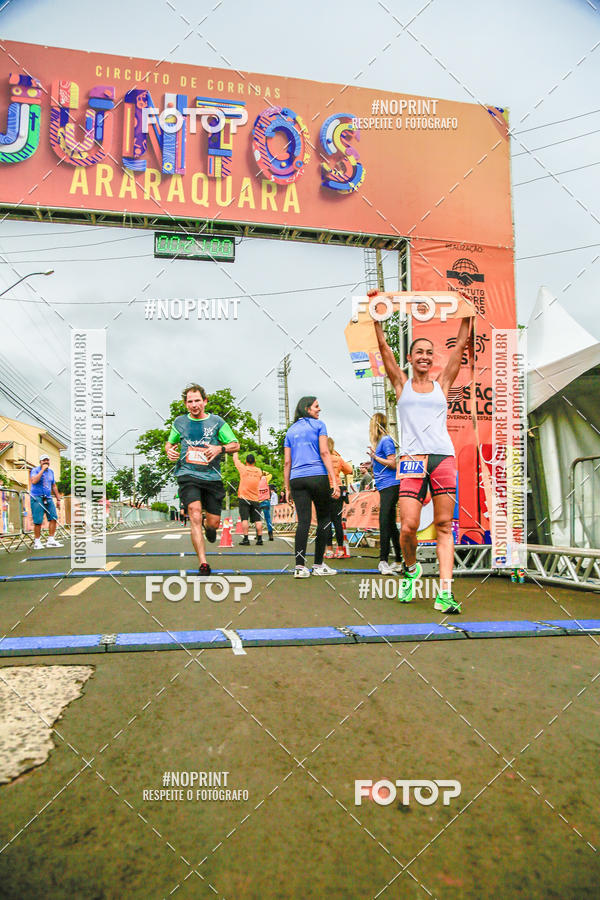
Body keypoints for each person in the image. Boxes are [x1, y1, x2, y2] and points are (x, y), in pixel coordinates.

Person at [372, 291, 472, 613]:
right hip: (412, 460)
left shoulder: (443, 382)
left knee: (443, 525)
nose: (425, 356)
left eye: (430, 352)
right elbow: (385, 349)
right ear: (412, 357)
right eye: (419, 352)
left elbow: (460, 345)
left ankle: (444, 592)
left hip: (443, 457)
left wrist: (467, 315)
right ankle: (411, 568)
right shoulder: (401, 385)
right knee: (408, 528)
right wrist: (376, 317)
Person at [165, 383, 239, 575]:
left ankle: (210, 527)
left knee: (213, 523)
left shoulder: (217, 422)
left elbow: (235, 445)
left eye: (197, 400)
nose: (194, 404)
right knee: (195, 513)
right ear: (185, 404)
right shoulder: (179, 422)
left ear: (205, 401)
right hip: (187, 474)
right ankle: (203, 563)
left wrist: (219, 448)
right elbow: (170, 442)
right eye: (190, 401)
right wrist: (169, 451)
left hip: (212, 477)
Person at [283, 396, 340, 577]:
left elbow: (286, 462)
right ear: (307, 408)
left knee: (303, 522)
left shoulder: (290, 431)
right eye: (316, 406)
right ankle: (318, 565)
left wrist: (287, 488)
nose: (319, 409)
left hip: (297, 479)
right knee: (324, 519)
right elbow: (324, 452)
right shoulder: (319, 425)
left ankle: (299, 567)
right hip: (317, 476)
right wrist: (334, 480)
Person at [367, 413, 403, 575]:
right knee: (390, 525)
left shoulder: (386, 440)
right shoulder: (381, 442)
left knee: (384, 521)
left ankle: (383, 560)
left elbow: (393, 463)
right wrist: (372, 462)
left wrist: (375, 457)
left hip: (391, 485)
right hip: (384, 485)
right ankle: (398, 560)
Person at [324, 438, 352, 559]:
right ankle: (340, 550)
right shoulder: (338, 458)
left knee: (326, 521)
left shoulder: (321, 459)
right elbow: (349, 470)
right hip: (338, 490)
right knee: (338, 521)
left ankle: (329, 550)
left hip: (325, 489)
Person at [29, 454, 62, 549]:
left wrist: (58, 498)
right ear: (40, 462)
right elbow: (34, 481)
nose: (46, 462)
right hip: (37, 497)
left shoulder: (51, 472)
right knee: (38, 520)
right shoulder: (35, 470)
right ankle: (37, 541)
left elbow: (54, 485)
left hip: (48, 497)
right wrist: (42, 470)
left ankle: (51, 540)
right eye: (44, 460)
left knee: (53, 517)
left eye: (47, 460)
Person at [233, 452, 264, 545]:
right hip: (255, 498)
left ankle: (246, 539)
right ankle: (260, 539)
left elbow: (235, 460)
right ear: (254, 461)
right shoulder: (259, 471)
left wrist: (235, 450)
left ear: (246, 461)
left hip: (244, 498)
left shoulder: (243, 469)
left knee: (244, 519)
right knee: (257, 519)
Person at [257, 471, 274, 541]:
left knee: (257, 519)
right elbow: (271, 474)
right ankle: (270, 534)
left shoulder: (255, 480)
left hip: (258, 501)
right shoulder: (266, 478)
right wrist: (264, 472)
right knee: (268, 518)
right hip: (266, 501)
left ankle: (258, 535)